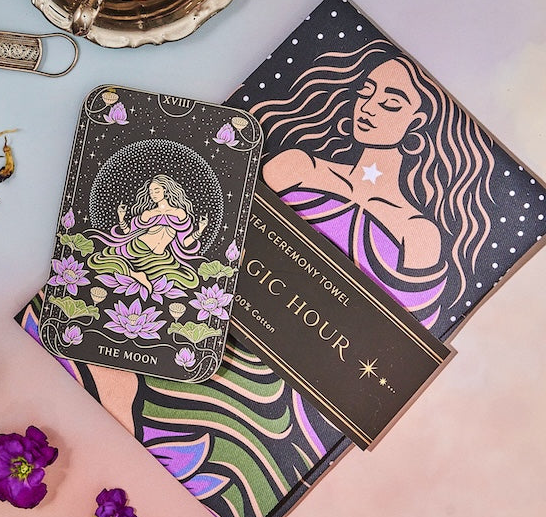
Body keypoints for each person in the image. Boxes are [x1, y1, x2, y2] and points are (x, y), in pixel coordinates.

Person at [252, 44, 494, 330]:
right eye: (365, 93)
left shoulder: (418, 234)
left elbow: (400, 337)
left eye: (390, 104)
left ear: (416, 123)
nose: (367, 108)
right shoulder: (298, 167)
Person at [89, 174, 208, 291]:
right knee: (100, 261)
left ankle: (135, 274)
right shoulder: (148, 214)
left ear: (165, 190)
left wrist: (200, 230)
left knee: (190, 280)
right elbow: (129, 233)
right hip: (138, 248)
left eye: (156, 190)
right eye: (151, 192)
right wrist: (121, 218)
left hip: (159, 257)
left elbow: (184, 243)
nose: (153, 194)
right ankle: (134, 274)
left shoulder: (179, 213)